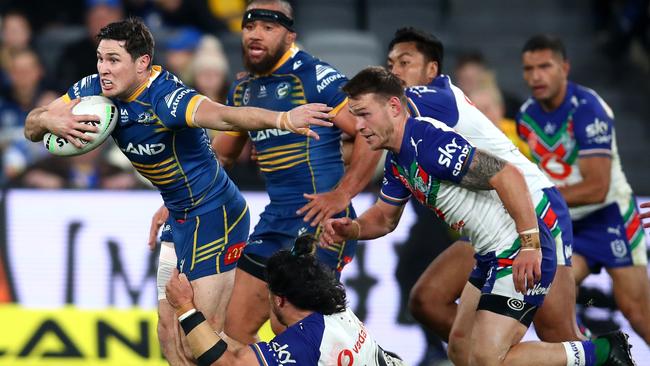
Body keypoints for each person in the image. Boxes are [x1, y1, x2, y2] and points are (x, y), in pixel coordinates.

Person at [23, 17, 333, 365]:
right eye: (100, 58)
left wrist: (283, 120)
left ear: (142, 63)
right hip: (178, 214)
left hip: (215, 216)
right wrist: (49, 120)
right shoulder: (92, 88)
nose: (103, 69)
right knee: (168, 334)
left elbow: (227, 116)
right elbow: (31, 125)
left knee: (200, 340)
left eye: (113, 60)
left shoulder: (166, 100)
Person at [320, 66, 635, 366]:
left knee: (489, 357)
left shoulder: (429, 143)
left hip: (514, 249)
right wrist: (354, 228)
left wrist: (529, 244)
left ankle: (602, 352)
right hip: (489, 255)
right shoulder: (398, 161)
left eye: (364, 114)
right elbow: (385, 218)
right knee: (462, 350)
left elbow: (506, 176)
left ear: (392, 106)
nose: (358, 127)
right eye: (354, 116)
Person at [386, 27, 582, 346]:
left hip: (533, 213)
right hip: (489, 225)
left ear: (431, 69)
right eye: (391, 64)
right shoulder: (416, 122)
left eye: (404, 63)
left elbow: (516, 176)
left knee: (557, 335)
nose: (395, 72)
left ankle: (597, 353)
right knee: (427, 300)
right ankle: (495, 352)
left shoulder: (429, 99)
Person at [208, 0, 381, 351]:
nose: (256, 35)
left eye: (268, 28)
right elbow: (223, 153)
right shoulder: (243, 89)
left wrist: (343, 194)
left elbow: (368, 132)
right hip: (276, 219)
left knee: (293, 326)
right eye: (250, 27)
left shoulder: (315, 77)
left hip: (322, 220)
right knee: (233, 330)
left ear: (290, 37)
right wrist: (179, 194)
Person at [516, 34, 650, 345]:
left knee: (638, 312)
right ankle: (596, 353)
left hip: (611, 217)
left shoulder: (588, 109)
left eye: (544, 66)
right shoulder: (526, 116)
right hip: (568, 223)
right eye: (528, 68)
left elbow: (596, 188)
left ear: (564, 67)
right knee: (549, 302)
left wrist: (538, 201)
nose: (535, 76)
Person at [164, 234, 405, 365]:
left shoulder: (304, 344)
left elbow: (228, 364)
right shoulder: (336, 311)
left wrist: (185, 306)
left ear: (279, 300)